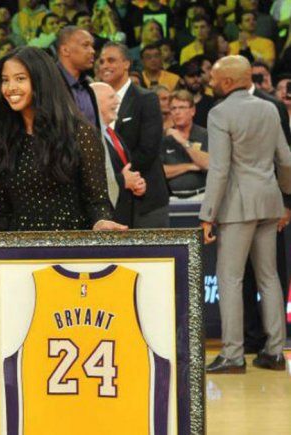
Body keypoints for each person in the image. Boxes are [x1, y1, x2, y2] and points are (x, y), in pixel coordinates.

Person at [200, 55, 291, 374]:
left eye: (213, 78)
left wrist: (208, 213)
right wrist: (284, 199)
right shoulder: (269, 108)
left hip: (237, 206)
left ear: (227, 82)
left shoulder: (220, 113)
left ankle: (233, 354)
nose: (210, 83)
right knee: (269, 277)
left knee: (230, 278)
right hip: (269, 202)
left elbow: (220, 169)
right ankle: (276, 352)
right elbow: (287, 160)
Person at [0, 46, 123, 232]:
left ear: (41, 81)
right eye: (5, 80)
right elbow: (2, 211)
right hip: (17, 256)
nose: (10, 88)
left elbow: (97, 203)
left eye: (20, 79)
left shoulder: (80, 134)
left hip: (69, 251)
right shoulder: (1, 137)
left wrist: (102, 222)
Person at [98, 42, 170, 228]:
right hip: (114, 200)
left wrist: (119, 176)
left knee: (151, 257)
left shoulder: (146, 99)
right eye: (102, 61)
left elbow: (148, 150)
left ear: (126, 64)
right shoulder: (93, 101)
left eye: (111, 60)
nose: (105, 65)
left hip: (146, 200)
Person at [91, 81, 146, 225]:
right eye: (111, 98)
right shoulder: (89, 137)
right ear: (95, 103)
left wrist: (136, 184)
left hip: (125, 216)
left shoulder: (112, 133)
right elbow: (91, 180)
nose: (118, 101)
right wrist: (123, 181)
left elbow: (124, 169)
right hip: (105, 221)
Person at [162, 90, 209, 199]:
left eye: (182, 107)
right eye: (173, 108)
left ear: (192, 111)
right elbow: (160, 172)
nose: (177, 112)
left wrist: (183, 142)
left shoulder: (205, 134)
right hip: (172, 198)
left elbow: (207, 164)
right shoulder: (163, 139)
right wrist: (190, 166)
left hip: (202, 195)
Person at [56, 26, 99, 127]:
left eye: (92, 46)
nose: (92, 51)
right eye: (85, 45)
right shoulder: (49, 83)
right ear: (65, 50)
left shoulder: (89, 84)